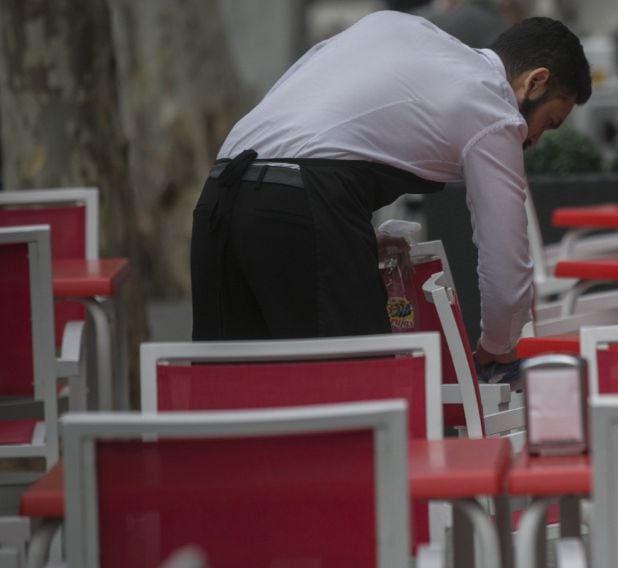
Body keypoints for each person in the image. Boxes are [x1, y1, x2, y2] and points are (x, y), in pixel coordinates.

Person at [190, 11, 591, 367]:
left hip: (221, 193)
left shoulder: (397, 27)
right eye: (550, 123)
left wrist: (347, 235)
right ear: (535, 83)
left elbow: (321, 127)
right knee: (359, 394)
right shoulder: (493, 106)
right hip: (304, 200)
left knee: (230, 395)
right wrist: (498, 346)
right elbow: (505, 252)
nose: (534, 140)